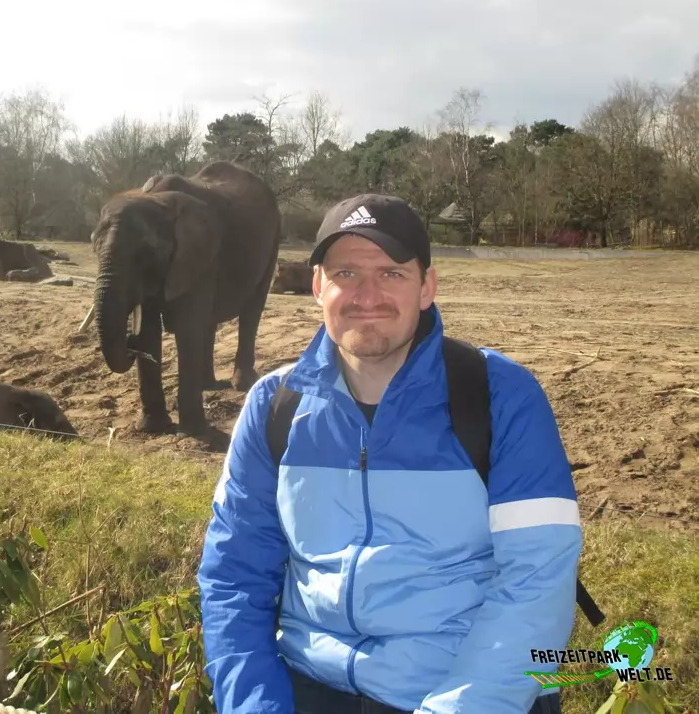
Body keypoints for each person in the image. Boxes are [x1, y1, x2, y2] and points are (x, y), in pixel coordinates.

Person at [196, 193, 582, 714]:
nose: (368, 295)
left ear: (427, 287)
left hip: (472, 691)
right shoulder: (274, 405)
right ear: (317, 286)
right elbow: (234, 574)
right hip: (310, 685)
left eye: (393, 273)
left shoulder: (501, 397)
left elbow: (538, 585)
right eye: (346, 273)